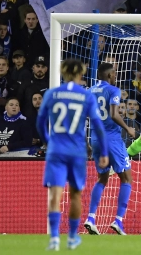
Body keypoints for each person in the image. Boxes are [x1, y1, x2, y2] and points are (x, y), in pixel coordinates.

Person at [36, 59, 108, 250]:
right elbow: (98, 126)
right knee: (76, 195)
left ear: (63, 72)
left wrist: (48, 141)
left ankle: (53, 238)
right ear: (80, 74)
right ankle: (72, 237)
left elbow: (40, 122)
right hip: (77, 152)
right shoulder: (86, 96)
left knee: (55, 195)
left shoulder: (52, 93)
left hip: (56, 150)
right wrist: (104, 150)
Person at [84, 63, 135, 236]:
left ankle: (91, 218)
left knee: (102, 178)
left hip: (96, 140)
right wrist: (128, 129)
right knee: (126, 178)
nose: (116, 77)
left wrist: (86, 144)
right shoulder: (114, 90)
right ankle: (118, 221)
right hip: (112, 139)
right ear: (110, 75)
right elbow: (114, 114)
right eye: (115, 74)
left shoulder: (89, 91)